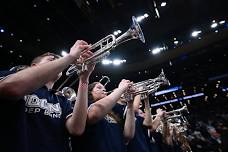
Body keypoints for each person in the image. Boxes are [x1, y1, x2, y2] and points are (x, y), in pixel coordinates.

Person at [0, 40, 95, 152]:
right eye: (52, 59)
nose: (59, 62)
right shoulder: (10, 75)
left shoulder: (62, 99)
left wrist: (84, 80)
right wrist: (69, 57)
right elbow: (11, 89)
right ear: (34, 66)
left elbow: (76, 129)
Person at [71, 80, 136, 152]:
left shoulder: (113, 111)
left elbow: (128, 135)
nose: (104, 89)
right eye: (99, 88)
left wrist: (130, 103)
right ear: (89, 92)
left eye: (104, 88)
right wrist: (121, 88)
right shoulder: (83, 106)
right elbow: (94, 114)